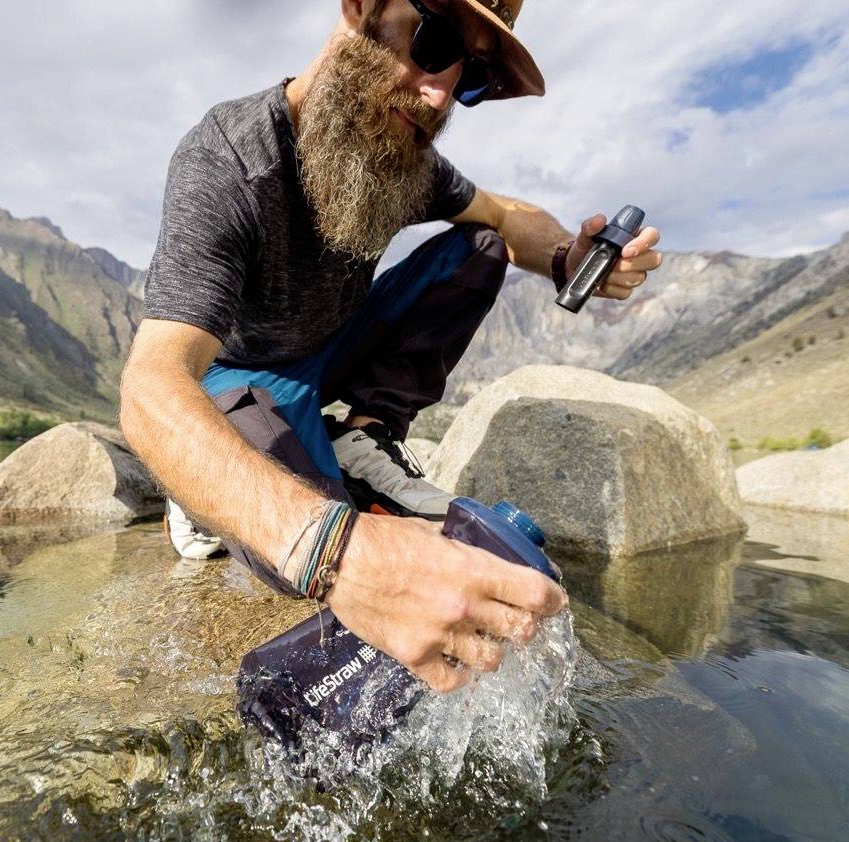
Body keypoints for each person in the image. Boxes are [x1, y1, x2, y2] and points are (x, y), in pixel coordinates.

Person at [120, 0, 663, 693]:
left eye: (467, 79)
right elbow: (151, 384)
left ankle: (365, 434)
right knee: (305, 560)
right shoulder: (227, 158)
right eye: (432, 42)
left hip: (333, 352)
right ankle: (200, 497)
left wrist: (566, 254)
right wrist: (338, 553)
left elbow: (504, 216)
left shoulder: (402, 156)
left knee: (480, 248)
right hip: (239, 377)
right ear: (359, 10)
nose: (440, 95)